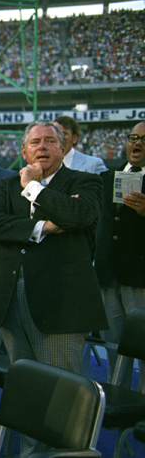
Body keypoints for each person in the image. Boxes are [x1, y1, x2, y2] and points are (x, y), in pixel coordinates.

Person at [0, 120, 108, 457]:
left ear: (63, 148)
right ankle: (29, 452)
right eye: (35, 142)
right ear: (23, 151)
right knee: (26, 389)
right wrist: (43, 227)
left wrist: (36, 190)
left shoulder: (85, 181)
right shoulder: (7, 186)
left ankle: (63, 454)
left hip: (61, 303)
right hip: (12, 298)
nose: (42, 147)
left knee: (61, 390)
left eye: (50, 141)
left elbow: (79, 214)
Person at [95, 121, 145, 393]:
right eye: (133, 137)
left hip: (140, 279)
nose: (137, 143)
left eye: (144, 139)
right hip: (107, 275)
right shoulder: (107, 177)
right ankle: (117, 399)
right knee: (113, 346)